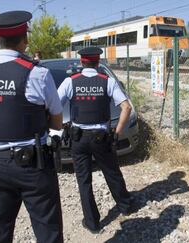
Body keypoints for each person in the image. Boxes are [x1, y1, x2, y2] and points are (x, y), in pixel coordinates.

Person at [0, 11, 64, 243]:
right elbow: (57, 119)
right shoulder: (37, 73)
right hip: (32, 166)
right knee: (47, 230)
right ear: (25, 39)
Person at [58, 47, 134, 234]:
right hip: (102, 138)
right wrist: (117, 132)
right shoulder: (107, 82)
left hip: (78, 138)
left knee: (84, 181)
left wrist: (60, 128)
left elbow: (53, 107)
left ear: (81, 62)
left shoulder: (70, 81)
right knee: (112, 172)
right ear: (98, 62)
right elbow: (126, 108)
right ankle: (125, 206)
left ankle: (92, 223)